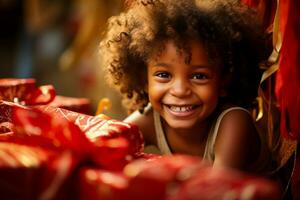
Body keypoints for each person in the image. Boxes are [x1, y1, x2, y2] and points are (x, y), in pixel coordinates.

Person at [99, 0, 272, 174]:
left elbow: (218, 189)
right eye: (164, 75)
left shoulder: (234, 123)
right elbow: (102, 145)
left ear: (224, 82)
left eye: (199, 76)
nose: (180, 90)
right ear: (144, 80)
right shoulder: (151, 119)